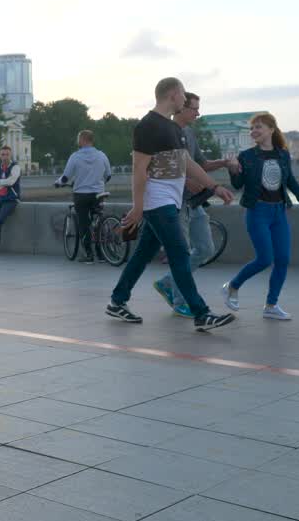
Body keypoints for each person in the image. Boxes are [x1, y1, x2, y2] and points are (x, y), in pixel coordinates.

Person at [106, 77, 237, 333]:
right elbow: (138, 169)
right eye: (183, 94)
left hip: (170, 201)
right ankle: (202, 313)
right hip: (158, 202)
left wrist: (214, 187)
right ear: (173, 94)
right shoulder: (147, 126)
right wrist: (138, 206)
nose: (186, 99)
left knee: (143, 253)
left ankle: (117, 301)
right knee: (180, 254)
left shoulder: (173, 128)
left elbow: (188, 164)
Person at [222, 112, 299, 320]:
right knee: (265, 259)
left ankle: (271, 305)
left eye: (259, 127)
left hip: (279, 211)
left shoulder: (283, 154)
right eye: (252, 128)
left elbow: (290, 181)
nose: (254, 131)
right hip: (257, 212)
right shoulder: (246, 156)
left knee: (283, 259)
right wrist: (232, 170)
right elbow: (238, 185)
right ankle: (232, 286)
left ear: (271, 130)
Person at [152, 92, 238, 316]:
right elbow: (156, 169)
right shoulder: (163, 133)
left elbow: (199, 164)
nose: (198, 114)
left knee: (206, 248)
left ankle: (167, 283)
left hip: (194, 202)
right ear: (180, 107)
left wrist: (223, 163)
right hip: (173, 203)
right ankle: (181, 301)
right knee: (180, 253)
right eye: (194, 109)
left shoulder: (189, 133)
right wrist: (186, 181)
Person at [56, 131, 112, 263]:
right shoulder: (101, 155)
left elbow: (66, 177)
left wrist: (58, 183)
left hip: (81, 195)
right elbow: (108, 175)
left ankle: (89, 254)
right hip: (98, 194)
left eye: (78, 139)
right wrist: (98, 182)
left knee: (84, 224)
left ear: (82, 140)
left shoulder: (75, 157)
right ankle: (101, 253)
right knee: (98, 220)